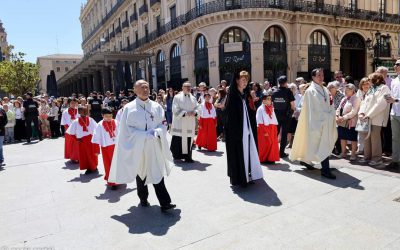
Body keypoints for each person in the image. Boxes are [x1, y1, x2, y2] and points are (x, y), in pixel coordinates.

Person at [109, 80, 176, 212]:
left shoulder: (157, 106)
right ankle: (143, 198)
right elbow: (126, 130)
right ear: (135, 90)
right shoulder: (129, 108)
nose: (145, 90)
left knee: (157, 173)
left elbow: (163, 123)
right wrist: (143, 135)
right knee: (141, 174)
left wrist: (157, 132)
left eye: (147, 87)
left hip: (154, 146)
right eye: (142, 87)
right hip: (138, 146)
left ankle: (165, 203)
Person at [289, 68, 338, 179]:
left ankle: (305, 162)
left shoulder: (325, 89)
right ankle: (325, 170)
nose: (321, 77)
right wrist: (328, 116)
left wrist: (332, 114)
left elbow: (330, 103)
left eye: (322, 75)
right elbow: (314, 110)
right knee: (321, 144)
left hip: (326, 121)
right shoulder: (311, 91)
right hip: (317, 123)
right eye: (318, 75)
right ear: (313, 77)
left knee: (319, 145)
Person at [224, 70, 263, 187]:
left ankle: (248, 175)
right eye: (243, 79)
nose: (245, 82)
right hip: (237, 132)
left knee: (249, 151)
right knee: (239, 153)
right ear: (237, 81)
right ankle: (240, 178)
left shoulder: (246, 95)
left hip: (248, 130)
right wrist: (236, 132)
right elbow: (230, 117)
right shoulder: (232, 96)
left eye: (246, 79)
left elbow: (251, 112)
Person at [358, 73, 391, 166]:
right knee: (366, 138)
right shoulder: (371, 89)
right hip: (366, 118)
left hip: (376, 117)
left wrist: (369, 114)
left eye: (369, 79)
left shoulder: (384, 88)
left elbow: (380, 104)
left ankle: (377, 159)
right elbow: (364, 102)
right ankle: (367, 157)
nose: (368, 81)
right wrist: (361, 113)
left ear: (376, 79)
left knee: (375, 138)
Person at [170, 82, 200, 163]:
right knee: (178, 139)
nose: (188, 88)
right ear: (182, 88)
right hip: (180, 122)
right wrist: (185, 113)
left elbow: (198, 107)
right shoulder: (177, 97)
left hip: (189, 122)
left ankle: (188, 157)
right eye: (186, 86)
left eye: (189, 87)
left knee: (189, 139)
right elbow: (175, 108)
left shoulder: (193, 98)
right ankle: (177, 155)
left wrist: (195, 112)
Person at [67, 105, 99, 174]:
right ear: (79, 112)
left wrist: (96, 138)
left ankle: (94, 166)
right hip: (82, 141)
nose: (84, 113)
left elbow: (97, 129)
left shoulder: (90, 119)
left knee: (92, 154)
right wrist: (76, 139)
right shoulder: (76, 121)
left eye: (85, 111)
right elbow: (70, 132)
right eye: (82, 111)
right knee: (84, 155)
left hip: (91, 139)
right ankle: (88, 167)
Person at [91, 108, 119, 188]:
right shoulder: (99, 125)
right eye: (106, 116)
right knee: (109, 165)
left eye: (110, 116)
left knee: (118, 164)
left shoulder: (116, 122)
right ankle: (112, 182)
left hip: (116, 146)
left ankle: (119, 179)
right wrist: (96, 150)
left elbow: (121, 133)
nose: (109, 118)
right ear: (102, 115)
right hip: (106, 148)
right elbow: (95, 138)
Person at [272, 75, 295, 158]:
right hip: (286, 116)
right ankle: (281, 153)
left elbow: (271, 104)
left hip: (276, 115)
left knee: (275, 134)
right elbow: (293, 105)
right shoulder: (288, 92)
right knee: (284, 134)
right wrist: (292, 111)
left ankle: (273, 151)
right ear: (285, 83)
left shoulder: (274, 92)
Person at [336, 84, 361, 161]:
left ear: (353, 90)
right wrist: (337, 115)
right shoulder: (344, 98)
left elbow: (354, 112)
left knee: (353, 138)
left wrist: (343, 117)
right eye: (345, 90)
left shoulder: (356, 99)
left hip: (351, 122)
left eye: (348, 90)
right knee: (342, 137)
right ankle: (343, 153)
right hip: (341, 121)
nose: (345, 91)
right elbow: (338, 108)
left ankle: (353, 153)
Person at [256, 91, 280, 164]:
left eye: (270, 99)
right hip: (264, 128)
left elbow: (273, 119)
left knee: (273, 143)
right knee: (265, 144)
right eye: (268, 99)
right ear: (264, 100)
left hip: (272, 128)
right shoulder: (260, 109)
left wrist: (275, 128)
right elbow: (259, 121)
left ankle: (271, 158)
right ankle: (264, 158)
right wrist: (264, 131)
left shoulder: (271, 108)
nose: (270, 100)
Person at [385, 59, 400, 169]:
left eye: (397, 64)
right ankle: (395, 160)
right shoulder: (394, 80)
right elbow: (392, 95)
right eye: (395, 64)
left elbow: (396, 98)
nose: (395, 66)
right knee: (395, 138)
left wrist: (396, 100)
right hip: (394, 113)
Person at [61, 98, 80, 162]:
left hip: (78, 129)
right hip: (69, 130)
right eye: (72, 103)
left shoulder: (78, 110)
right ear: (69, 104)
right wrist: (70, 129)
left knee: (78, 144)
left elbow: (80, 119)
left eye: (74, 103)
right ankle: (72, 157)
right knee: (71, 144)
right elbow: (64, 122)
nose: (73, 104)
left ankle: (78, 157)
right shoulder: (65, 112)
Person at [355, 77, 371, 154]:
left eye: (367, 84)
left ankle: (367, 150)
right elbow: (357, 104)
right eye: (363, 84)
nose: (365, 86)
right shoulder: (359, 92)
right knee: (360, 132)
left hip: (369, 115)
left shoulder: (372, 92)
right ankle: (360, 149)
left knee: (368, 133)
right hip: (360, 115)